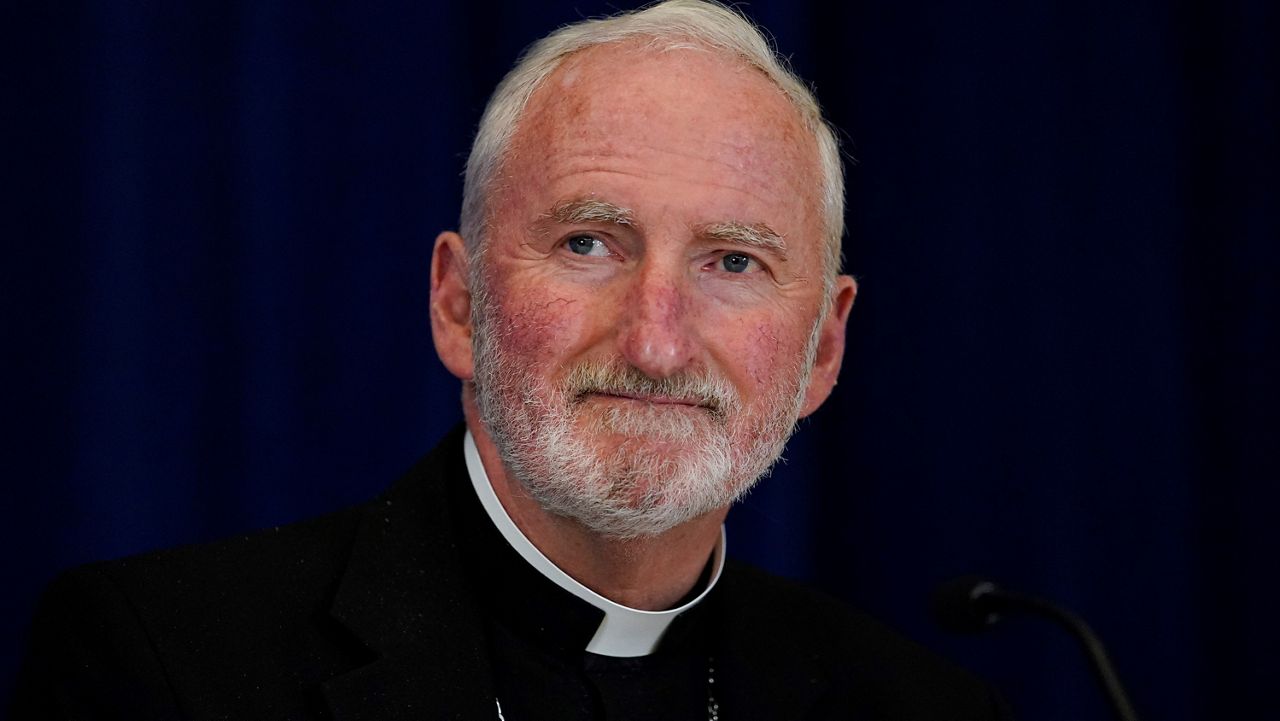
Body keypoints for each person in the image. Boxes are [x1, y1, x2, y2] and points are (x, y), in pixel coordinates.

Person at [12, 1, 1011, 719]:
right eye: (587, 244)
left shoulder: (925, 708)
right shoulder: (164, 667)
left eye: (733, 260)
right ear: (458, 305)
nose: (656, 342)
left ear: (822, 350)